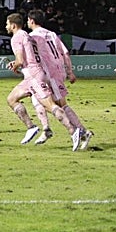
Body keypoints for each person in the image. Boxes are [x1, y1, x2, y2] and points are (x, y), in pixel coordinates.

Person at [5, 13, 80, 145]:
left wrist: (15, 65)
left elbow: (20, 59)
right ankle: (34, 127)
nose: (6, 26)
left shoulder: (16, 37)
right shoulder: (27, 35)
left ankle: (73, 131)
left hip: (34, 76)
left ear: (13, 25)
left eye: (7, 23)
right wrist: (17, 65)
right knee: (12, 99)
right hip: (36, 73)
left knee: (52, 106)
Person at [27, 10, 92, 151]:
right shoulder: (51, 34)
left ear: (31, 21)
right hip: (57, 71)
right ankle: (46, 129)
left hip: (50, 73)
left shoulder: (32, 37)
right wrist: (69, 71)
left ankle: (81, 131)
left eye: (28, 20)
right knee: (36, 99)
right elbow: (65, 52)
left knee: (60, 104)